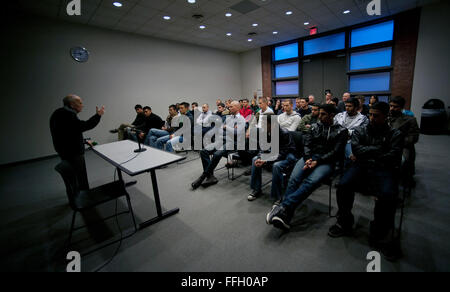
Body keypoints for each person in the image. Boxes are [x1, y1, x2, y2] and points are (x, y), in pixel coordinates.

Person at [328, 102, 403, 260]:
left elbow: (393, 156)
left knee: (388, 194)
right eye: (370, 115)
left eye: (376, 116)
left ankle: (379, 231)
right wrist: (379, 150)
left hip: (383, 169)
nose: (372, 118)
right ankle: (345, 221)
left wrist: (368, 153)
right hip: (362, 166)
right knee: (343, 185)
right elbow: (356, 150)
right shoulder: (361, 130)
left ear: (385, 116)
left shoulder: (395, 134)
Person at [266, 104, 348, 231]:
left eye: (323, 114)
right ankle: (285, 216)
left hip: (327, 162)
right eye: (319, 113)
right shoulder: (315, 127)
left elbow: (336, 152)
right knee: (294, 180)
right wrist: (309, 157)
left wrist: (317, 161)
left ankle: (283, 207)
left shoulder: (341, 131)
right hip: (309, 157)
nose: (319, 116)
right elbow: (307, 144)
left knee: (309, 182)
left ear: (332, 115)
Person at [50, 94, 105, 190]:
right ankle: (84, 200)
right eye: (80, 103)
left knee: (72, 179)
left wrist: (83, 141)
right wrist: (98, 115)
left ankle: (75, 198)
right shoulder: (68, 115)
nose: (82, 105)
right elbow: (84, 126)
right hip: (73, 153)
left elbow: (67, 133)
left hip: (64, 151)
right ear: (72, 105)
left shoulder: (58, 113)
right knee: (80, 179)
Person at [191, 101, 246, 189]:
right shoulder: (228, 118)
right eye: (230, 106)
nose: (229, 108)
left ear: (237, 108)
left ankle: (203, 176)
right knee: (203, 151)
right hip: (223, 140)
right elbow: (220, 130)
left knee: (217, 154)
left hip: (233, 143)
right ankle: (210, 176)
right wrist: (228, 130)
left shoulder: (241, 119)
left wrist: (227, 128)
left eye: (231, 107)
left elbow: (237, 133)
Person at [249, 125, 300, 203]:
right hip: (274, 153)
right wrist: (260, 157)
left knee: (277, 166)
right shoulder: (265, 132)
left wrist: (266, 160)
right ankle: (256, 189)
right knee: (255, 159)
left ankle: (277, 196)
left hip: (287, 155)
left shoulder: (284, 133)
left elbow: (283, 153)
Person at [388, 96, 420, 186]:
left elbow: (413, 138)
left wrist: (395, 142)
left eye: (395, 107)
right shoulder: (385, 117)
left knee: (402, 161)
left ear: (401, 107)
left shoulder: (410, 120)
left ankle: (402, 178)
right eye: (390, 106)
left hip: (401, 146)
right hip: (384, 144)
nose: (392, 108)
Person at [334, 97, 369, 164]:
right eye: (346, 106)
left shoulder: (363, 119)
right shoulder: (339, 115)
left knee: (351, 159)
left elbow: (362, 133)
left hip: (352, 141)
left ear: (356, 107)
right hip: (337, 140)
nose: (347, 108)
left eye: (350, 106)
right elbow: (333, 127)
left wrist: (347, 132)